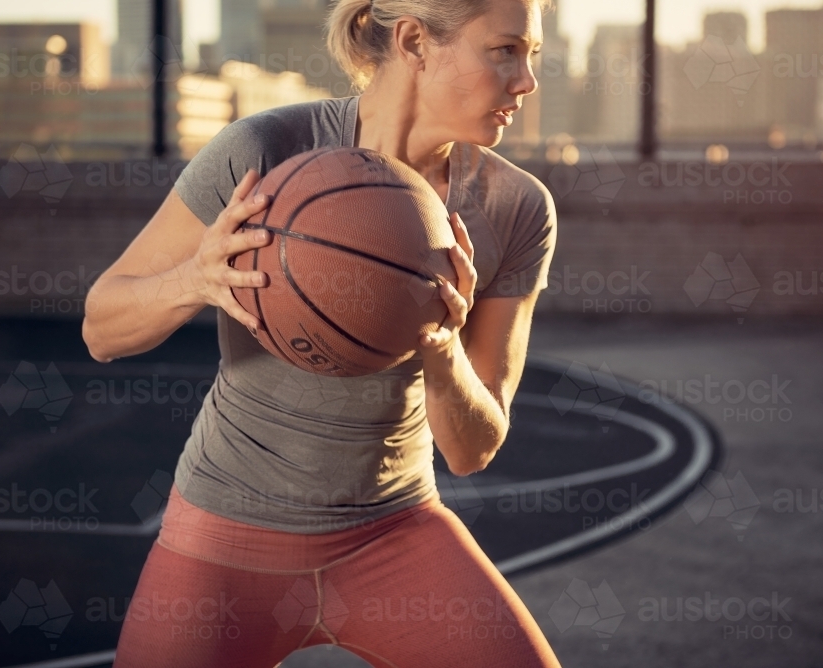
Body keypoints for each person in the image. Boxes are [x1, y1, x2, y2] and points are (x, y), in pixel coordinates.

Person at [83, 0, 561, 665]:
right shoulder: (266, 153)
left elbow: (472, 451)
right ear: (416, 40)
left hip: (394, 530)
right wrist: (194, 279)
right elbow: (101, 327)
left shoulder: (517, 209)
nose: (527, 81)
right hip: (227, 534)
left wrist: (443, 348)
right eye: (506, 50)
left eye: (531, 55)